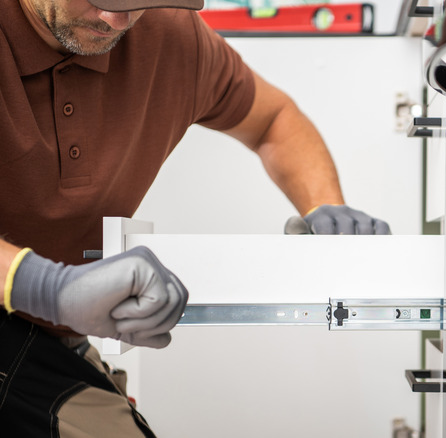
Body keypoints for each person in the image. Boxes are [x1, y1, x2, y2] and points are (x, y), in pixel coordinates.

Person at [0, 0, 389, 434]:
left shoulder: (169, 35)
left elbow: (273, 121)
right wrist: (49, 288)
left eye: (140, 3)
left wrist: (323, 207)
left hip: (50, 333)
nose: (118, 21)